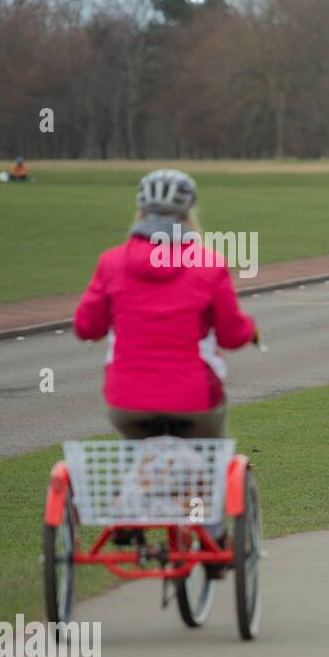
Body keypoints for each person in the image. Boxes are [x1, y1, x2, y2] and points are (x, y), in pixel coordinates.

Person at [73, 169, 259, 568]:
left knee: (135, 434)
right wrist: (250, 331)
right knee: (210, 451)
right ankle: (210, 531)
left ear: (140, 211)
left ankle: (128, 510)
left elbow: (86, 326)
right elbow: (230, 332)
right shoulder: (208, 264)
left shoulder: (111, 263)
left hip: (127, 397)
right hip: (194, 397)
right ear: (189, 214)